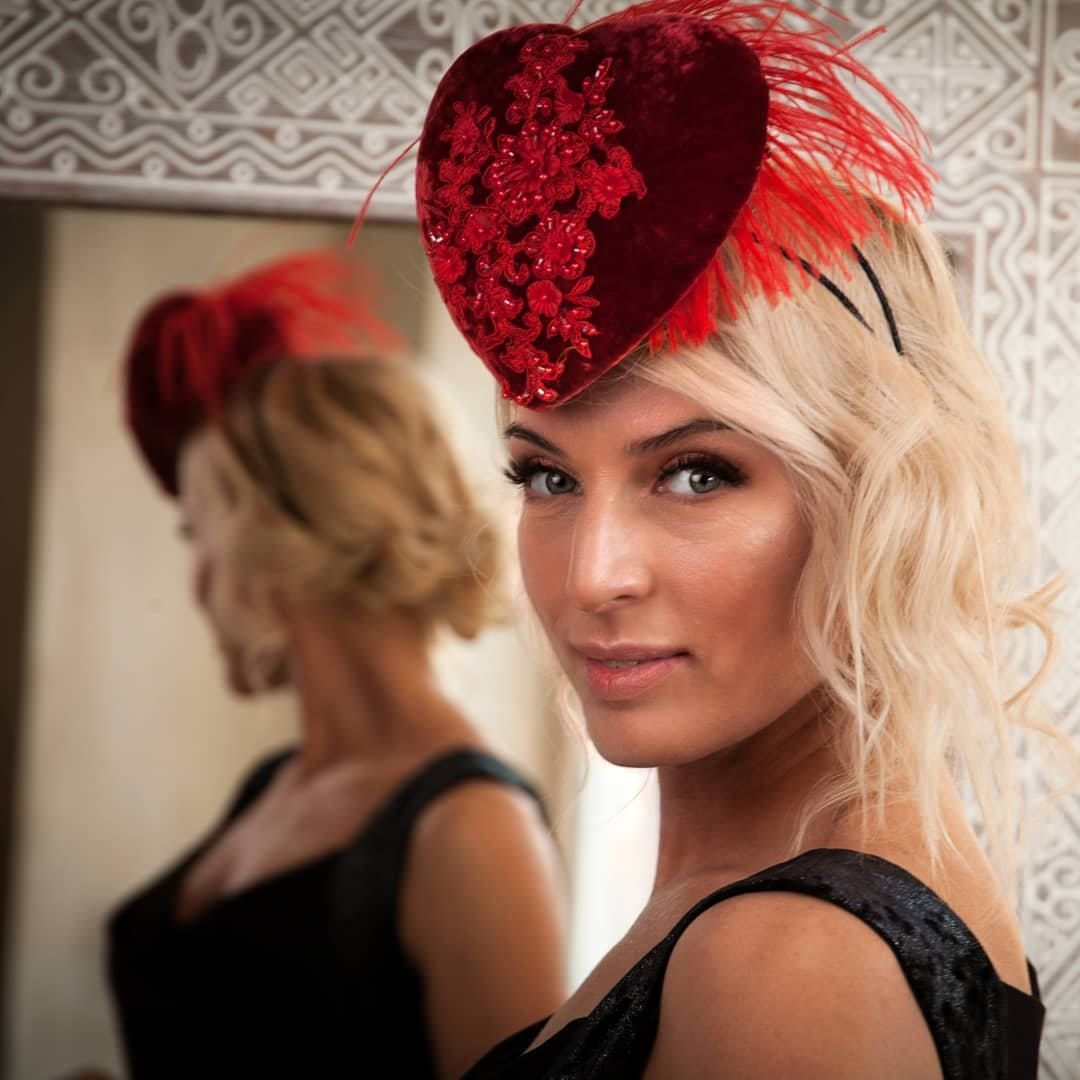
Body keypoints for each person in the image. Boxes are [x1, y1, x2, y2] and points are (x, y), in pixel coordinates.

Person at [403, 1, 1078, 1076]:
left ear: (876, 496)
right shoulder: (780, 920)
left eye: (697, 473)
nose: (593, 575)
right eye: (548, 476)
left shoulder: (787, 968)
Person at [107, 251, 566, 1079]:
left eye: (196, 534)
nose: (196, 583)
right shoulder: (275, 783)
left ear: (271, 540)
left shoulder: (471, 829)